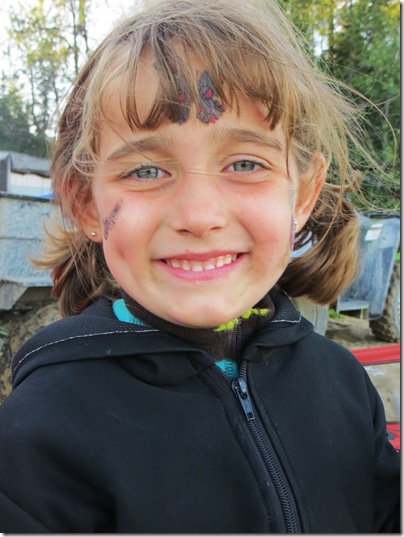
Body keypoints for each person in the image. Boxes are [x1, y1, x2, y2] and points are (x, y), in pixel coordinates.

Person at [0, 0, 399, 532]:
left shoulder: (343, 384)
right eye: (146, 170)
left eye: (245, 164)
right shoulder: (38, 435)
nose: (199, 216)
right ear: (86, 204)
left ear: (303, 194)